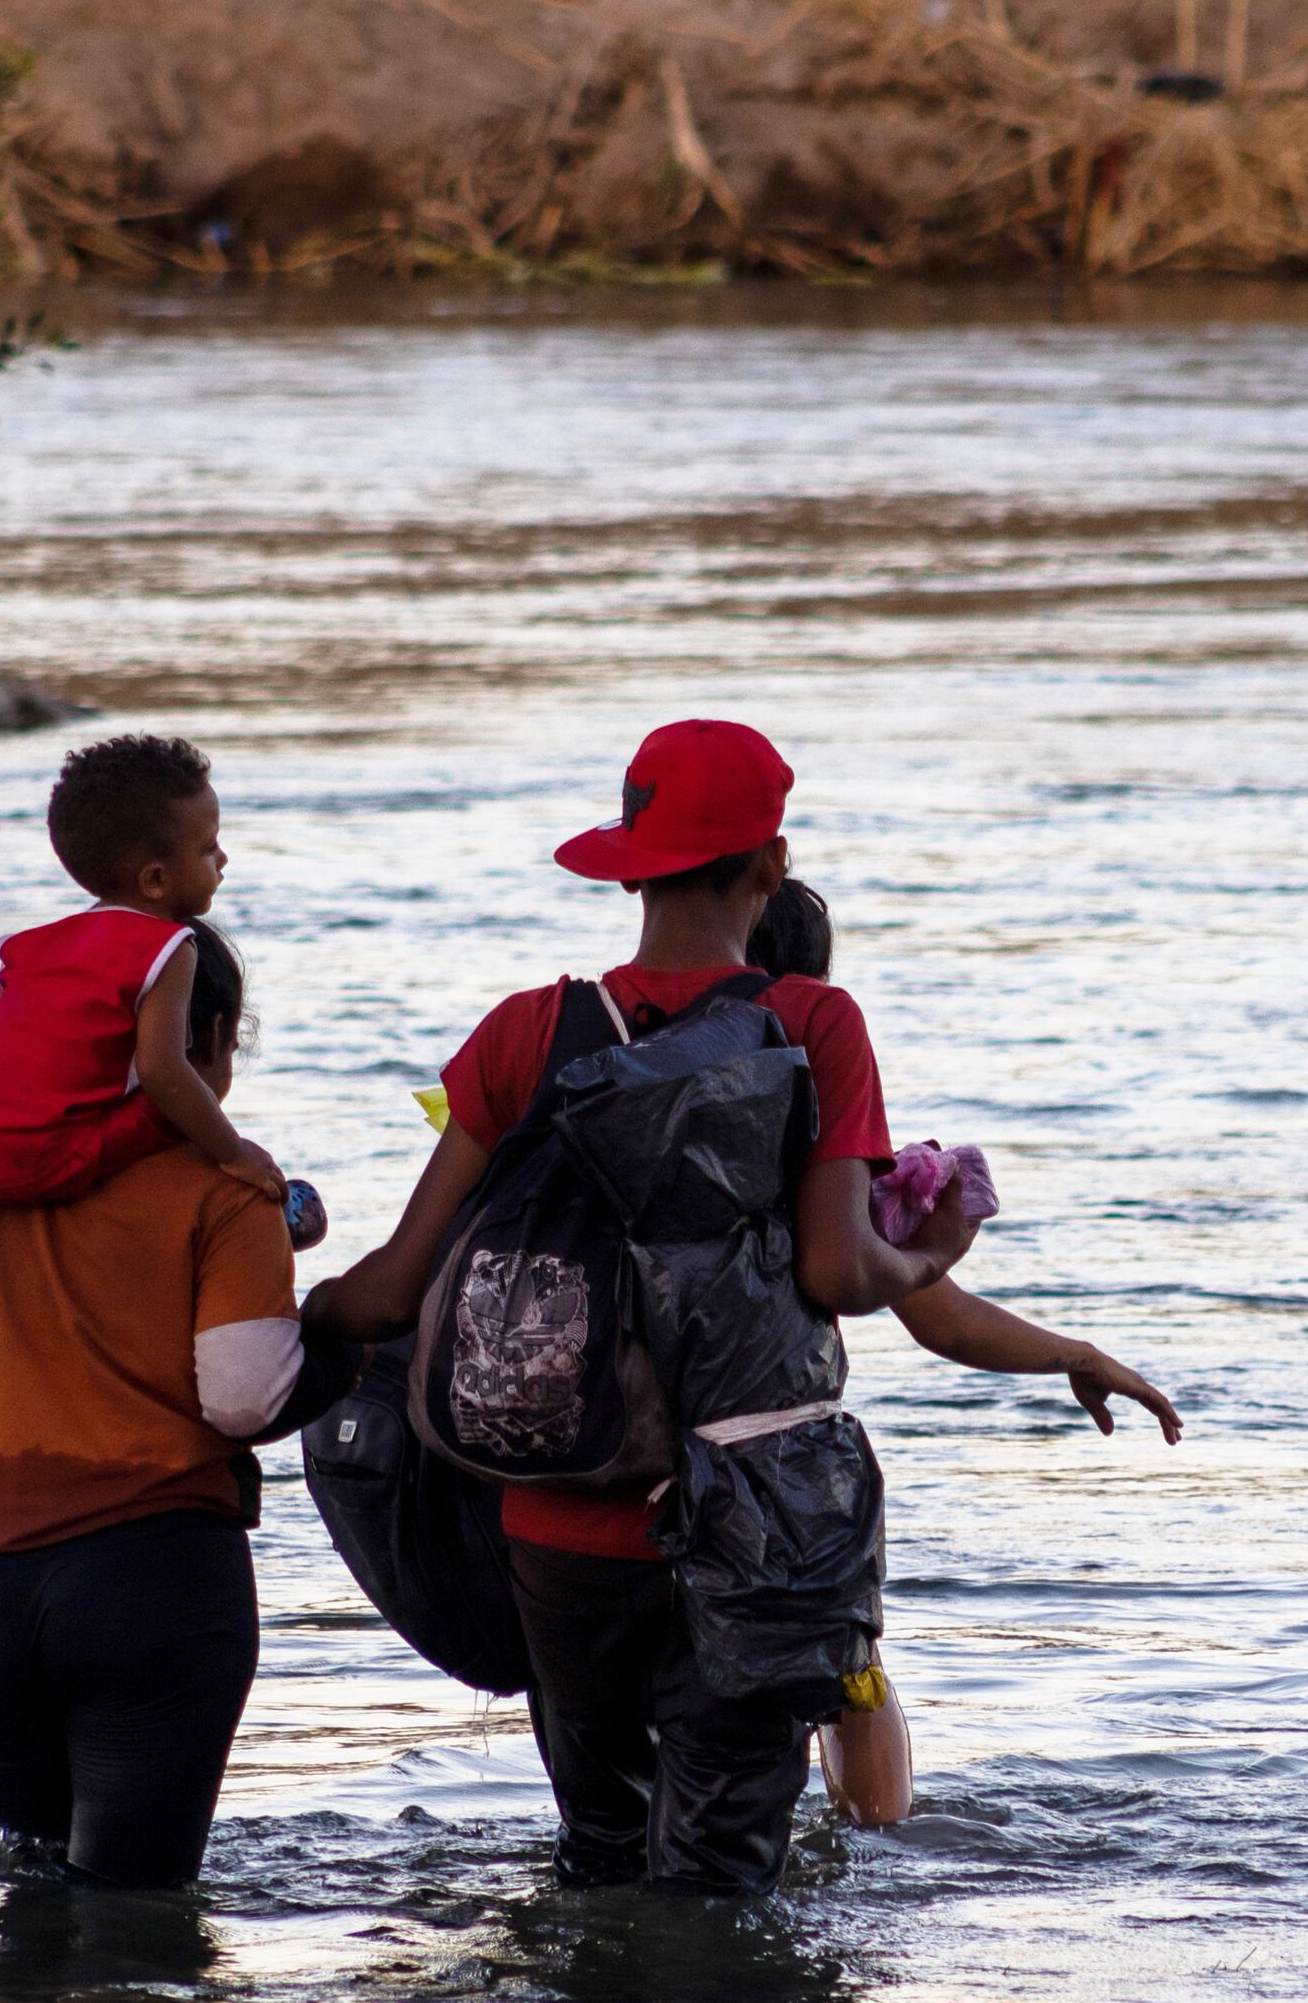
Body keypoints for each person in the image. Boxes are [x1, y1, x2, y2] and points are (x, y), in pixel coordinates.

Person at [305, 719, 983, 1892]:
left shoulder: (525, 1031)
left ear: (629, 864)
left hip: (558, 1533)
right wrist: (931, 1251)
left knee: (602, 1853)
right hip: (753, 1527)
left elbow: (399, 1281)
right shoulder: (812, 1024)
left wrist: (289, 1317)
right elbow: (836, 1274)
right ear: (768, 863)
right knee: (721, 1879)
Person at [740, 874, 1181, 1826]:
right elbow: (930, 1312)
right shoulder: (811, 1050)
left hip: (624, 1448)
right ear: (813, 974)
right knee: (850, 1662)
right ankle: (882, 1854)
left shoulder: (621, 1048)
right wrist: (1072, 1349)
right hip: (772, 1456)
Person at [0, 926, 303, 1889]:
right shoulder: (226, 1184)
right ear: (203, 1041)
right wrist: (340, 1347)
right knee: (135, 1920)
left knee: (30, 1899)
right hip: (147, 1579)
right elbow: (245, 1396)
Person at [0, 733, 286, 1206]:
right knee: (172, 1101)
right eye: (208, 848)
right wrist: (234, 1153)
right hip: (33, 1166)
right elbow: (161, 1070)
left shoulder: (48, 943)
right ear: (154, 880)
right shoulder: (170, 947)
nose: (223, 859)